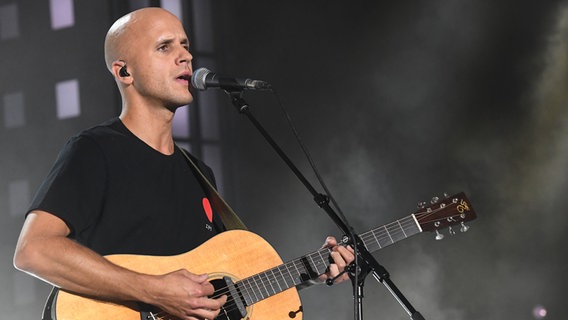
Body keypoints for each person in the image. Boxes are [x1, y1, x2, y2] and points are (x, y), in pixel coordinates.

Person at [13, 7, 354, 320]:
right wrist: (154, 291)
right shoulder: (94, 150)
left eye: (185, 45)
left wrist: (311, 273)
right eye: (165, 47)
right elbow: (34, 250)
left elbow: (223, 294)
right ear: (124, 71)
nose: (186, 56)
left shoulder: (199, 174)